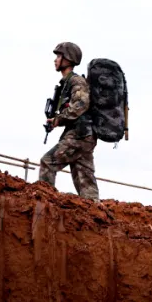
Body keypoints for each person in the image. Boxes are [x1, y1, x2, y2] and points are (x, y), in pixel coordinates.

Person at [38, 42, 99, 201]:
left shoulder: (76, 81)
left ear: (68, 59)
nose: (55, 60)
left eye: (59, 56)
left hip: (79, 135)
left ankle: (45, 203)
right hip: (84, 135)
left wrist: (59, 119)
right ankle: (96, 215)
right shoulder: (66, 83)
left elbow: (81, 104)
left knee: (47, 162)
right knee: (85, 181)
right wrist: (57, 120)